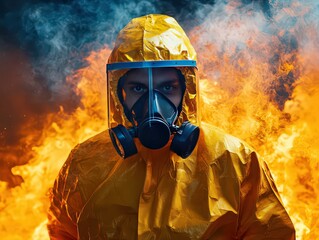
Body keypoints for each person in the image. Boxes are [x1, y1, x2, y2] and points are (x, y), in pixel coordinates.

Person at [47, 14, 295, 240]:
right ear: (118, 93)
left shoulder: (235, 161)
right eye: (138, 88)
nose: (152, 104)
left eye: (167, 88)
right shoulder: (84, 163)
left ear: (187, 91)